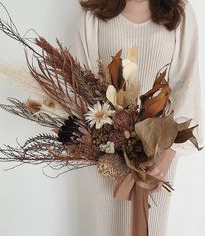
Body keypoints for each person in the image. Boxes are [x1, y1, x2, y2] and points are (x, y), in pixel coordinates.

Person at [70, 0, 203, 235]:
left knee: (151, 226)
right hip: (105, 150)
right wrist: (98, 141)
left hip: (158, 152)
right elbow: (80, 83)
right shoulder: (94, 12)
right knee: (108, 226)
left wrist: (166, 156)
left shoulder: (179, 11)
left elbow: (187, 85)